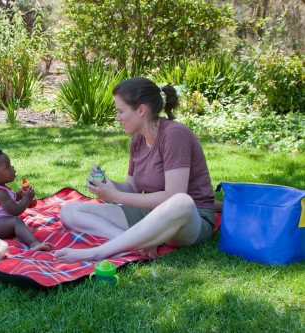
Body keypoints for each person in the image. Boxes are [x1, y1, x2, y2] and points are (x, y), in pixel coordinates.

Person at [54, 77, 214, 263]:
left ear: (141, 110)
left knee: (181, 201)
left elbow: (173, 196)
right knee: (70, 211)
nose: (117, 118)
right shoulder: (138, 140)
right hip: (150, 212)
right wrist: (107, 185)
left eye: (121, 111)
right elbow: (132, 188)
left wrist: (116, 197)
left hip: (187, 219)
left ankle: (99, 252)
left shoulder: (174, 135)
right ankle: (137, 241)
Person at [0, 148, 52, 251]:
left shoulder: (1, 186)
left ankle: (16, 237)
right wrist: (27, 198)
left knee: (17, 225)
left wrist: (19, 195)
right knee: (16, 221)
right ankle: (34, 244)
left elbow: (10, 198)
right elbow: (16, 210)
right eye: (7, 167)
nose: (12, 167)